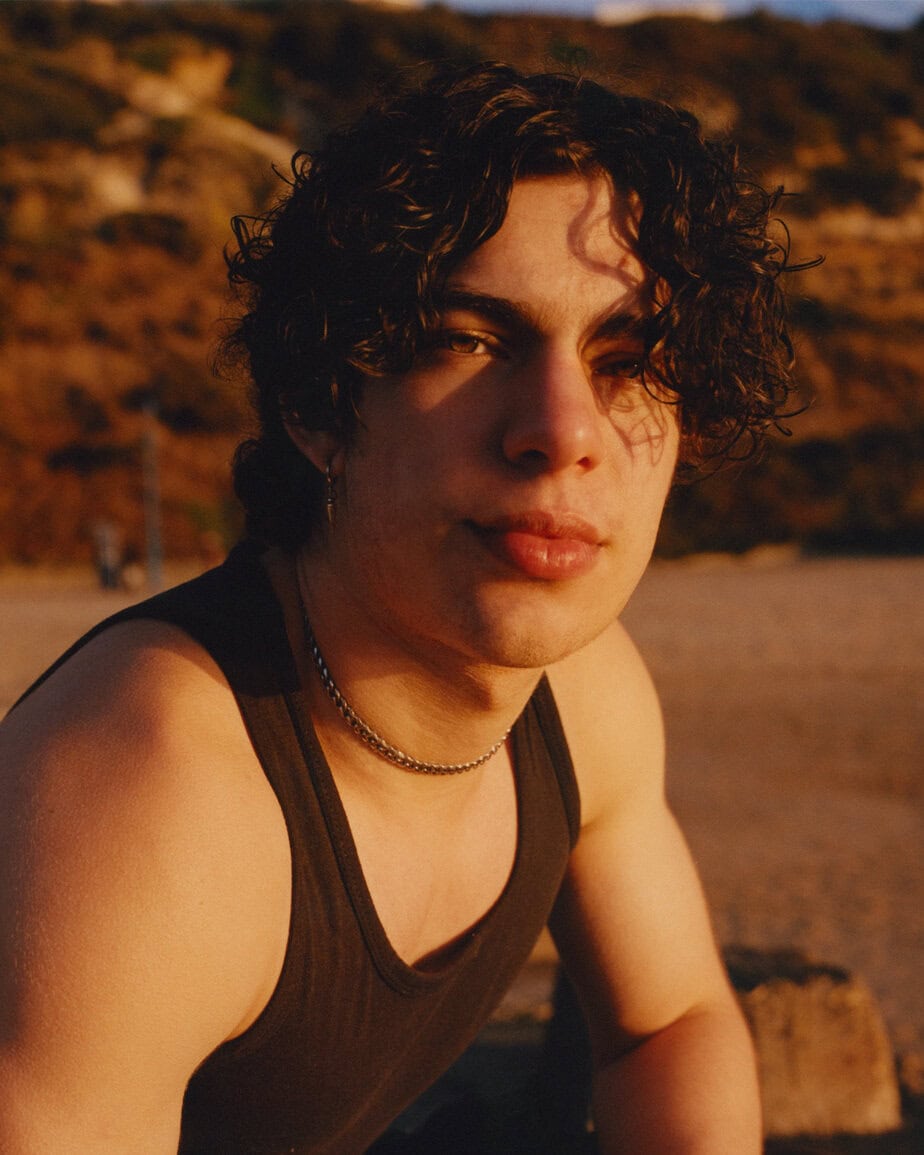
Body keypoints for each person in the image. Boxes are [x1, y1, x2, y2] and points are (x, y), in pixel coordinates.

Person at [0, 62, 805, 1153]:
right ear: (321, 404)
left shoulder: (583, 692)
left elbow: (668, 1024)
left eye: (627, 358)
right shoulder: (146, 799)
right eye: (471, 340)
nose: (562, 429)